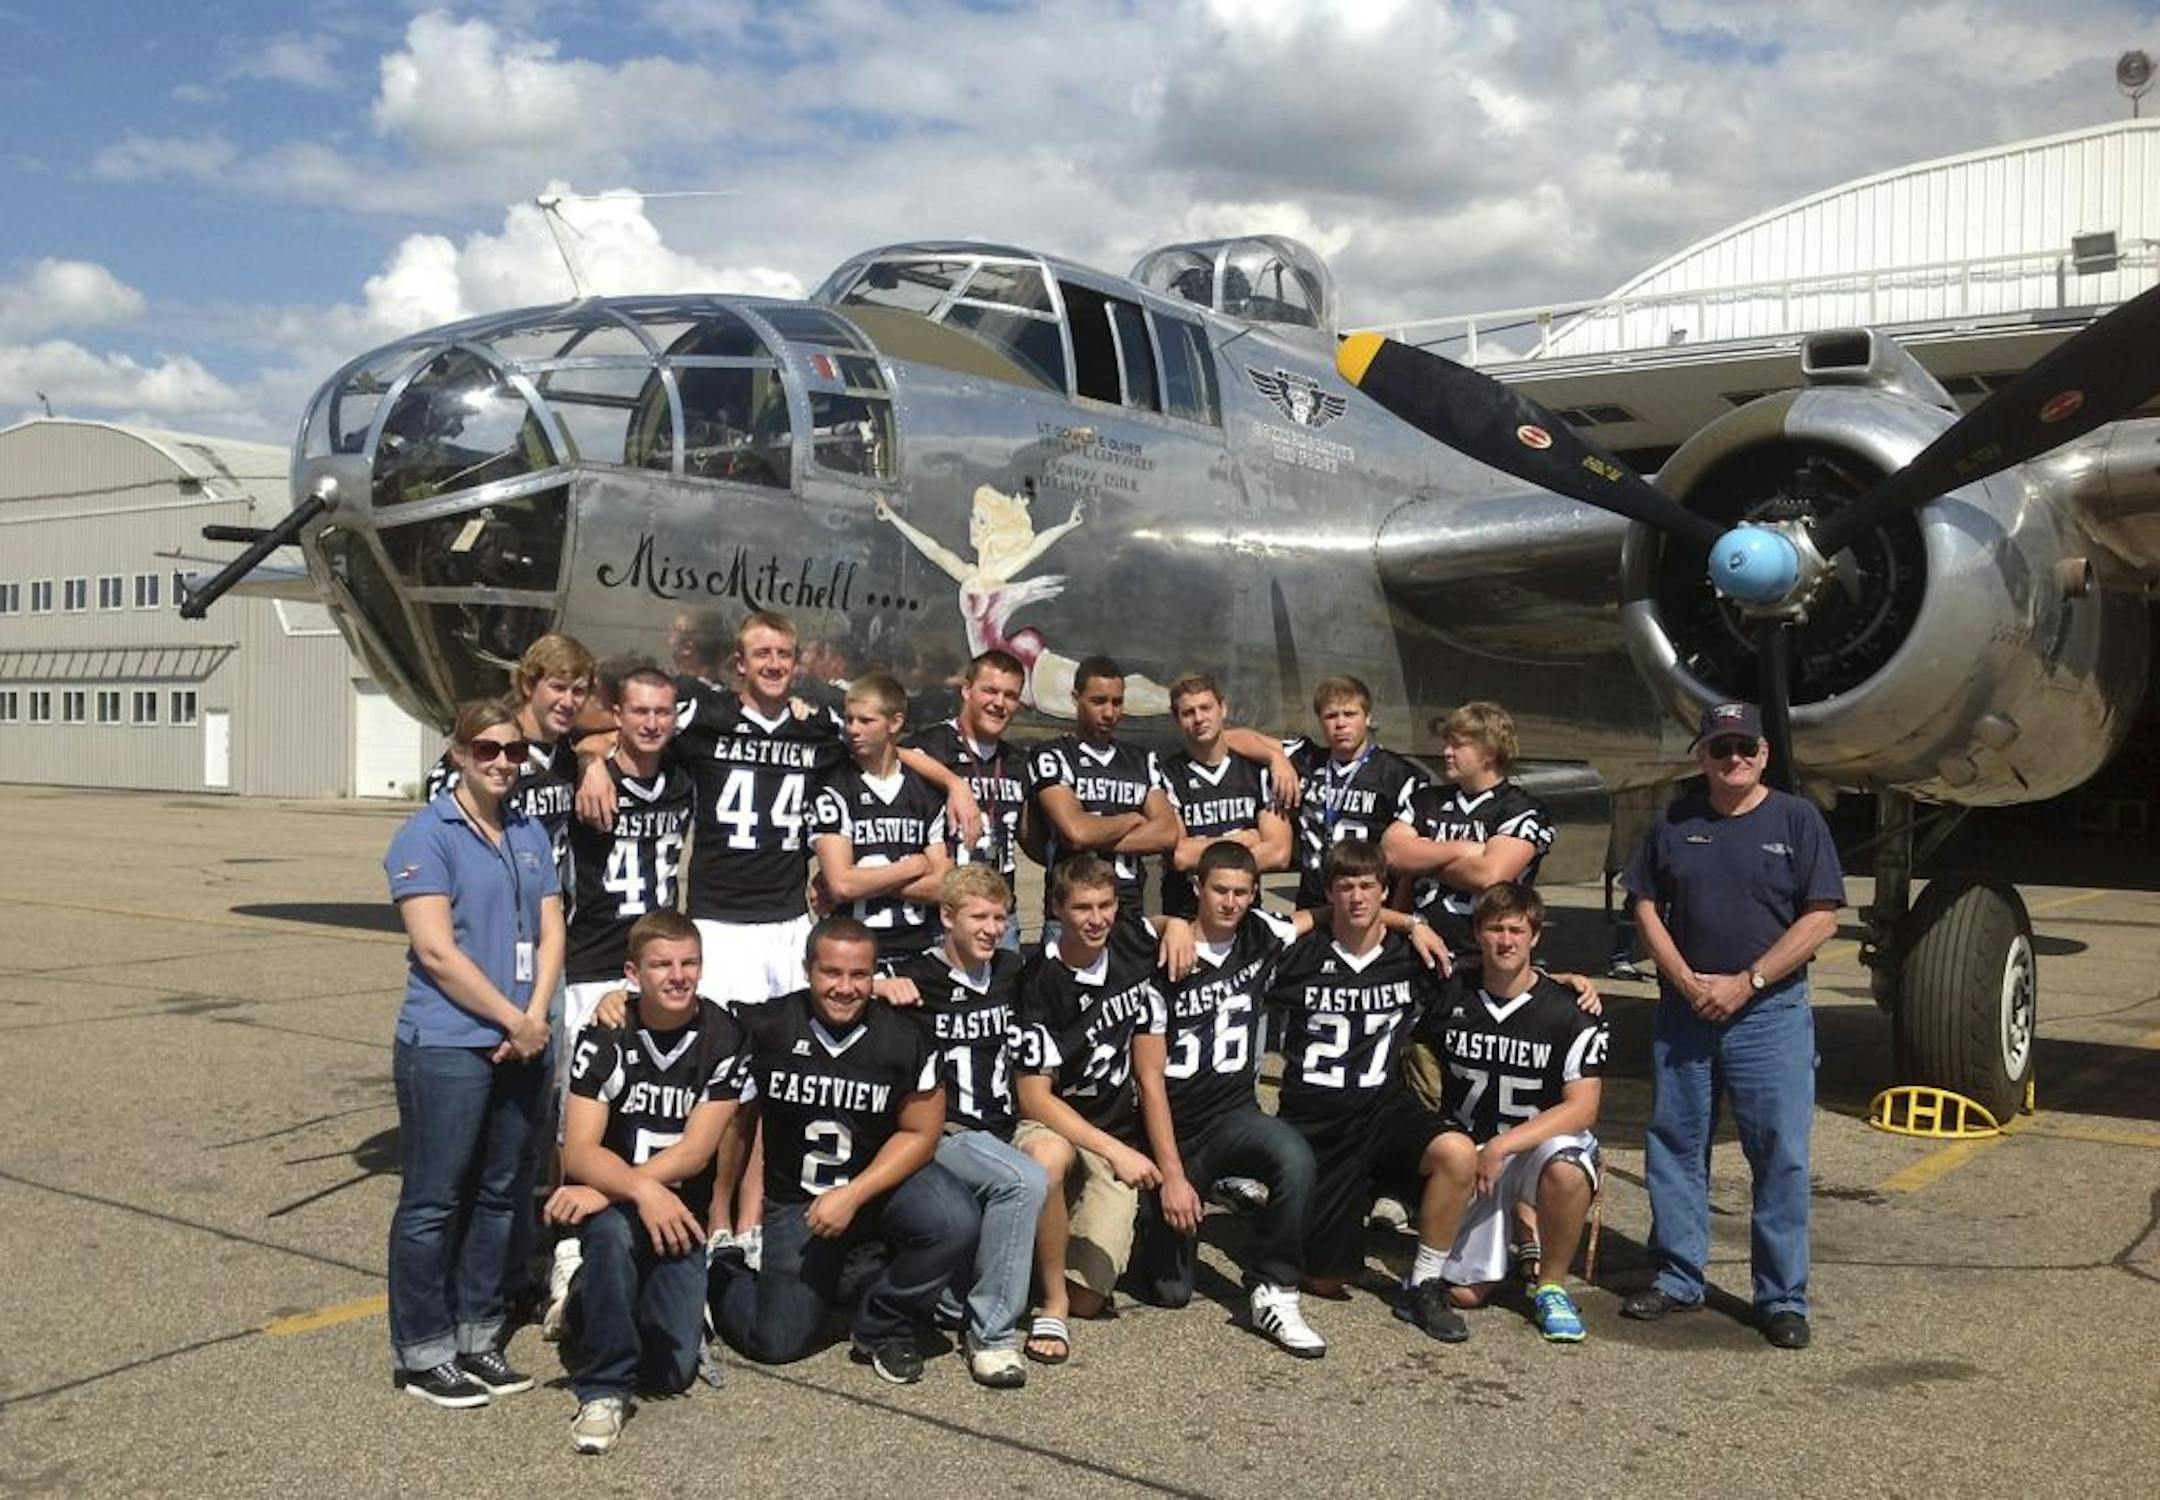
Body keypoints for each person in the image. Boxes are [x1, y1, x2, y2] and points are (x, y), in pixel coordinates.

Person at [1131, 841, 1447, 1357]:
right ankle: (1156, 1216)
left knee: (1293, 1155)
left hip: (1233, 1115)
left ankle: (1273, 1289)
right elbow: (1148, 1081)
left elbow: (1337, 909)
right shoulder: (1163, 952)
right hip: (1174, 1128)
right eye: (1219, 890)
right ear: (1197, 888)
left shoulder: (1262, 934)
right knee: (1169, 1292)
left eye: (1241, 892)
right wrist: (1171, 1176)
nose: (1230, 902)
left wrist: (1411, 924)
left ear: (1255, 894)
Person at [1621, 702, 1844, 1350]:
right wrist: (1686, 981)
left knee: (1779, 1154)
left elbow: (1821, 917)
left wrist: (1748, 982)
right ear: (1702, 757)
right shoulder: (1675, 820)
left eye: (1746, 746)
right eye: (1721, 748)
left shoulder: (1797, 820)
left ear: (1765, 754)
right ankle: (1678, 1276)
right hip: (1686, 1011)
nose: (1734, 758)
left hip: (1769, 1013)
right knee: (1675, 1144)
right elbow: (1644, 905)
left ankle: (1781, 1298)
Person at [383, 699, 565, 1408]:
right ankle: (423, 1352)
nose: (502, 762)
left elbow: (552, 929)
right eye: (486, 749)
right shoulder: (426, 837)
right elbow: (435, 951)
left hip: (522, 1039)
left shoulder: (528, 830)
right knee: (434, 1200)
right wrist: (512, 1019)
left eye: (513, 751)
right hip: (449, 1043)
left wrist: (535, 1016)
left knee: (500, 1194)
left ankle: (477, 1333)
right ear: (458, 754)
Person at [708, 918, 983, 1385]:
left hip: (877, 1189)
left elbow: (921, 1133)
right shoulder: (766, 1026)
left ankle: (885, 1324)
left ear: (876, 975)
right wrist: (619, 1001)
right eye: (831, 972)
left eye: (859, 975)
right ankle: (722, 1271)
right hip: (798, 1200)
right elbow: (688, 1017)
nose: (845, 987)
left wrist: (853, 1195)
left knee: (952, 1219)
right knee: (774, 1343)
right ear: (807, 970)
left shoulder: (905, 1035)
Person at [544, 913, 747, 1454]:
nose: (678, 976)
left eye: (689, 963)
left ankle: (586, 1299)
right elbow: (581, 1150)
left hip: (677, 1211)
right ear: (633, 973)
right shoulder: (606, 1034)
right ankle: (602, 1391)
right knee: (612, 1235)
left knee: (669, 1373)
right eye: (662, 965)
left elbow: (696, 1151)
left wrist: (624, 1189)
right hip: (620, 1206)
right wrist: (638, 1192)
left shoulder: (724, 1035)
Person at [542, 666, 694, 1340]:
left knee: (649, 1103)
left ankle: (637, 1237)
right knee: (573, 1118)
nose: (652, 723)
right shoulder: (586, 775)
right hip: (592, 962)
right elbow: (571, 736)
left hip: (655, 965)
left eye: (663, 712)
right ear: (618, 715)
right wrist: (592, 761)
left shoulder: (683, 777)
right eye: (639, 712)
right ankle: (566, 1251)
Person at [1265, 839, 1468, 1341]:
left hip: (1382, 1106)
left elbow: (1491, 973)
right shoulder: (1296, 954)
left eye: (1367, 886)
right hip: (1317, 1117)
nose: (1357, 897)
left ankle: (1425, 1282)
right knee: (1326, 1280)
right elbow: (1231, 937)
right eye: (1345, 886)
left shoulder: (1412, 956)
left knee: (1457, 1154)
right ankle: (1336, 1202)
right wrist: (1409, 920)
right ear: (1328, 893)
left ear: (1384, 890)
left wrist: (1562, 981)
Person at [877, 867, 1051, 1388]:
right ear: (947, 916)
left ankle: (959, 1301)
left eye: (1000, 918)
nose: (992, 929)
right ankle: (993, 1336)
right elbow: (835, 983)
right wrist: (879, 985)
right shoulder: (914, 975)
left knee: (1044, 1161)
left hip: (1001, 1124)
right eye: (979, 917)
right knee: (1022, 1181)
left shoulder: (1012, 970)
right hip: (947, 1129)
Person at [1413, 884, 1609, 1344]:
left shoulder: (1570, 1011)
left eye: (1516, 931)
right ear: (1477, 933)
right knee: (1464, 1295)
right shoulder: (1449, 992)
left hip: (1530, 1149)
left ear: (1535, 936)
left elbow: (1583, 1108)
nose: (1505, 941)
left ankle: (1552, 1286)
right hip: (1471, 1155)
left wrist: (1502, 1146)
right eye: (1495, 929)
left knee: (1568, 1165)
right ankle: (1518, 1239)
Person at [1010, 856, 1166, 1360]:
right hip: (1053, 1121)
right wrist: (1117, 1152)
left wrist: (1180, 926)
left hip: (1112, 1127)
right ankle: (1050, 1303)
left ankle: (1049, 1268)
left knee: (1090, 1299)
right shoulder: (1038, 981)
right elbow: (1034, 1097)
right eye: (1082, 908)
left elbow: (1164, 925)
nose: (1096, 919)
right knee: (1048, 1157)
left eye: (1105, 905)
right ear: (1056, 908)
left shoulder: (1130, 941)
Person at [1382, 701, 1554, 956]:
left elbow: (1490, 876)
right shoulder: (1427, 800)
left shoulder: (1521, 809)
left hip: (1482, 954)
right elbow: (1391, 854)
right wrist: (1464, 849)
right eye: (1447, 744)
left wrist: (1422, 858)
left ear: (1489, 752)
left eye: (1458, 745)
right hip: (1417, 948)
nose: (1447, 752)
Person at [1023, 655, 1181, 929]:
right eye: (1098, 701)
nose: (1109, 712)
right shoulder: (1053, 756)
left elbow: (1167, 833)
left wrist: (1091, 837)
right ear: (1076, 699)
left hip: (1129, 911)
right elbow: (1075, 831)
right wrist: (1132, 819)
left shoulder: (1143, 760)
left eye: (1117, 702)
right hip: (1071, 917)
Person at [809, 672, 953, 969]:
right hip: (853, 954)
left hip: (918, 950)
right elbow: (842, 885)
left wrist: (865, 877)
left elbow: (942, 887)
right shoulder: (834, 787)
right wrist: (910, 868)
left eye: (865, 721)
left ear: (895, 722)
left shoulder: (925, 792)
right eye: (849, 720)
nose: (853, 729)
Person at [902, 648, 1031, 946]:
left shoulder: (1018, 761)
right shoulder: (933, 745)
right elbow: (887, 752)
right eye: (990, 691)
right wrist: (953, 783)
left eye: (1010, 695)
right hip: (944, 918)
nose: (999, 703)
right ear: (966, 690)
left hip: (1000, 918)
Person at [1156, 672, 1294, 922]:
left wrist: (1204, 853)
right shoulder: (1166, 774)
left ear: (1223, 708)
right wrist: (1242, 840)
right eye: (1188, 713)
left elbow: (1278, 853)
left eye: (1205, 708)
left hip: (1253, 912)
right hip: (1188, 913)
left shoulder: (1258, 771)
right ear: (1177, 719)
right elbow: (1180, 856)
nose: (1199, 718)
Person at [1280, 677, 1426, 910]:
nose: (1340, 724)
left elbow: (1410, 859)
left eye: (1350, 714)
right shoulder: (1306, 759)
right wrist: (1275, 759)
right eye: (1331, 716)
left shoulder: (1397, 774)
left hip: (1363, 903)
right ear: (1320, 721)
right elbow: (1236, 738)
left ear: (1367, 717)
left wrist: (1396, 915)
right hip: (1308, 900)